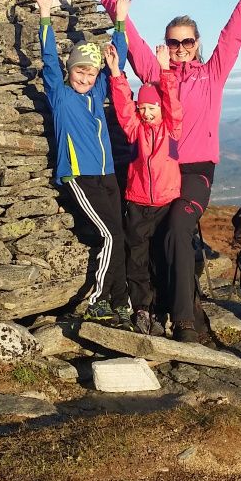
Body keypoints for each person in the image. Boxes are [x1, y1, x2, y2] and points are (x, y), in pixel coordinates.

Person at [82, 0, 241, 343]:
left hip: (197, 171)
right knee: (155, 237)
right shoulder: (155, 74)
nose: (180, 48)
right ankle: (159, 305)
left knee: (176, 228)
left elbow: (232, 36)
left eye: (187, 42)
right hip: (160, 173)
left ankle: (185, 320)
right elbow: (135, 44)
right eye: (173, 42)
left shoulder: (213, 74)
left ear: (197, 44)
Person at [33, 0, 133, 329]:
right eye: (80, 70)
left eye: (90, 72)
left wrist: (120, 21)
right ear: (70, 70)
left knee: (118, 235)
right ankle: (97, 301)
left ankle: (121, 302)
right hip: (79, 176)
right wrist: (45, 15)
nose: (86, 77)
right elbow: (48, 61)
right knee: (109, 235)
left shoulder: (97, 91)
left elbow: (113, 58)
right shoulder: (60, 96)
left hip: (107, 176)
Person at [103, 38, 183, 335]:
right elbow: (124, 108)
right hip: (137, 203)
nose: (148, 112)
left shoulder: (171, 129)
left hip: (165, 204)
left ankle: (162, 310)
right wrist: (115, 73)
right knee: (136, 260)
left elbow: (174, 103)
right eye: (144, 107)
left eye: (152, 107)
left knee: (160, 260)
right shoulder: (136, 130)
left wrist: (165, 71)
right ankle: (142, 310)